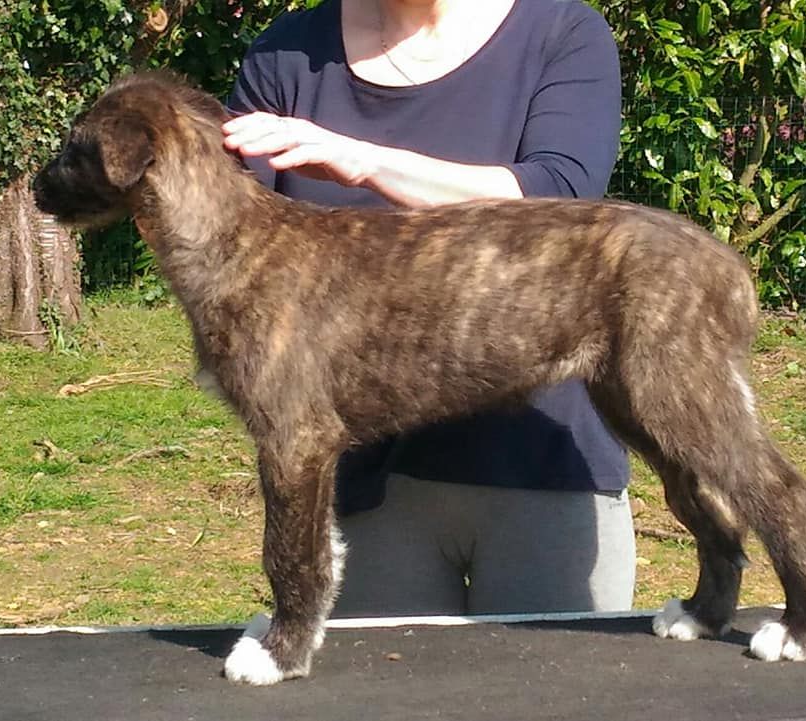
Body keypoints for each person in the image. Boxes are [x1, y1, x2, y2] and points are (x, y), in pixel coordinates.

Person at [223, 0, 635, 617]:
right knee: (378, 678)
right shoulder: (287, 50)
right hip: (365, 483)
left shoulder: (561, 31)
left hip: (539, 468)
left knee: (552, 675)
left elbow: (560, 200)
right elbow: (229, 229)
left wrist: (364, 161)